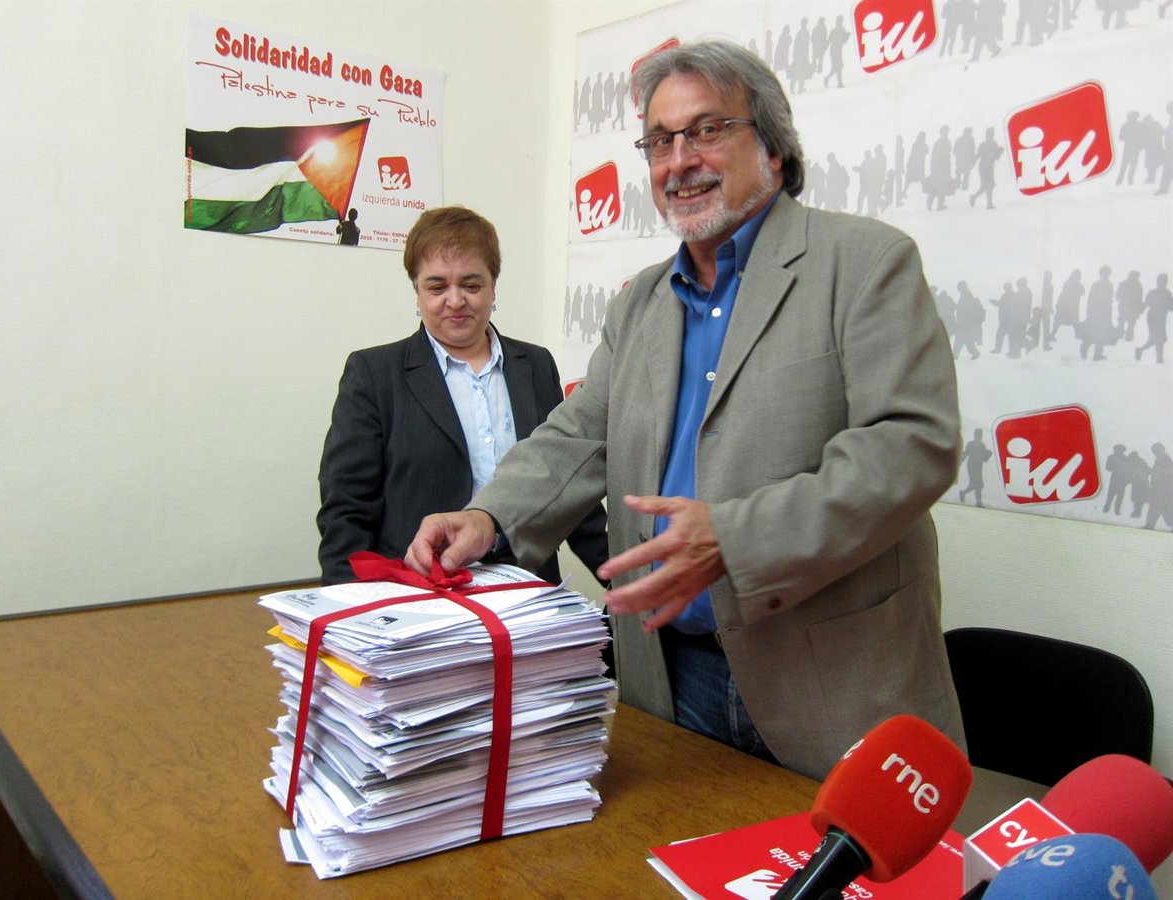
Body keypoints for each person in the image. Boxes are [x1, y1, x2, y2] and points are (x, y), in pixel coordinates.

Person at [406, 42, 964, 781]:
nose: (679, 161)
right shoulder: (639, 301)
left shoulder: (864, 263)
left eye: (706, 130)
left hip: (829, 680)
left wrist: (732, 537)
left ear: (772, 147)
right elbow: (580, 434)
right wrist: (489, 517)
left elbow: (910, 446)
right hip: (670, 678)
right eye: (659, 141)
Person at [317, 205, 608, 587]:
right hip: (419, 591)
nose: (455, 301)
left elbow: (566, 479)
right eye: (437, 287)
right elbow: (347, 510)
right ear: (417, 292)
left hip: (525, 591)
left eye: (471, 285)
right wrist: (349, 605)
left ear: (493, 288)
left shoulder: (535, 365)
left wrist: (622, 578)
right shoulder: (374, 374)